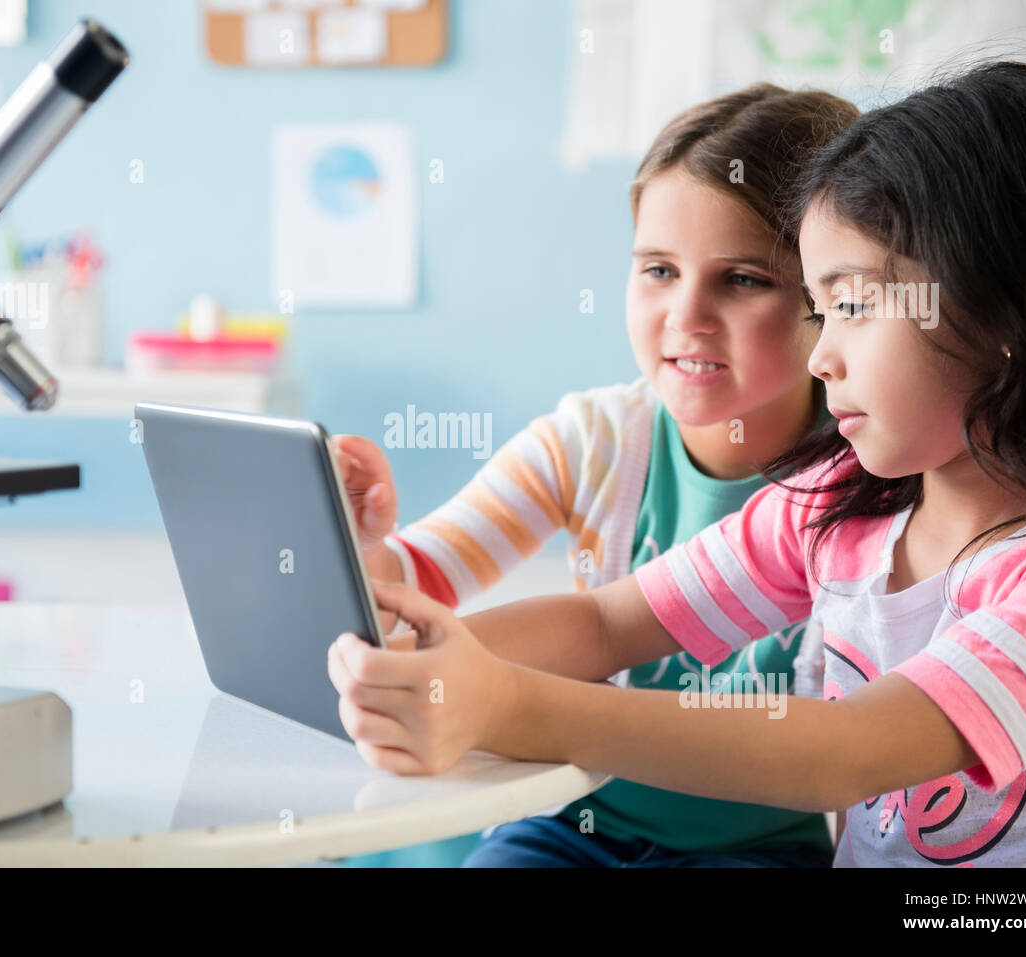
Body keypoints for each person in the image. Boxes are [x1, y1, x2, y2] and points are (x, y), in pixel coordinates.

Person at [329, 60, 1026, 866]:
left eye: (856, 306)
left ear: (1008, 310)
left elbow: (841, 752)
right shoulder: (834, 504)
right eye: (821, 311)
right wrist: (416, 669)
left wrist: (503, 704)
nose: (822, 354)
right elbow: (609, 622)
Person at [332, 83, 858, 867]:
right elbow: (418, 584)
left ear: (832, 297)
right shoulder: (595, 439)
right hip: (572, 826)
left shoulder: (871, 475)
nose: (687, 314)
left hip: (759, 847)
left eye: (742, 278)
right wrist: (366, 541)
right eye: (658, 269)